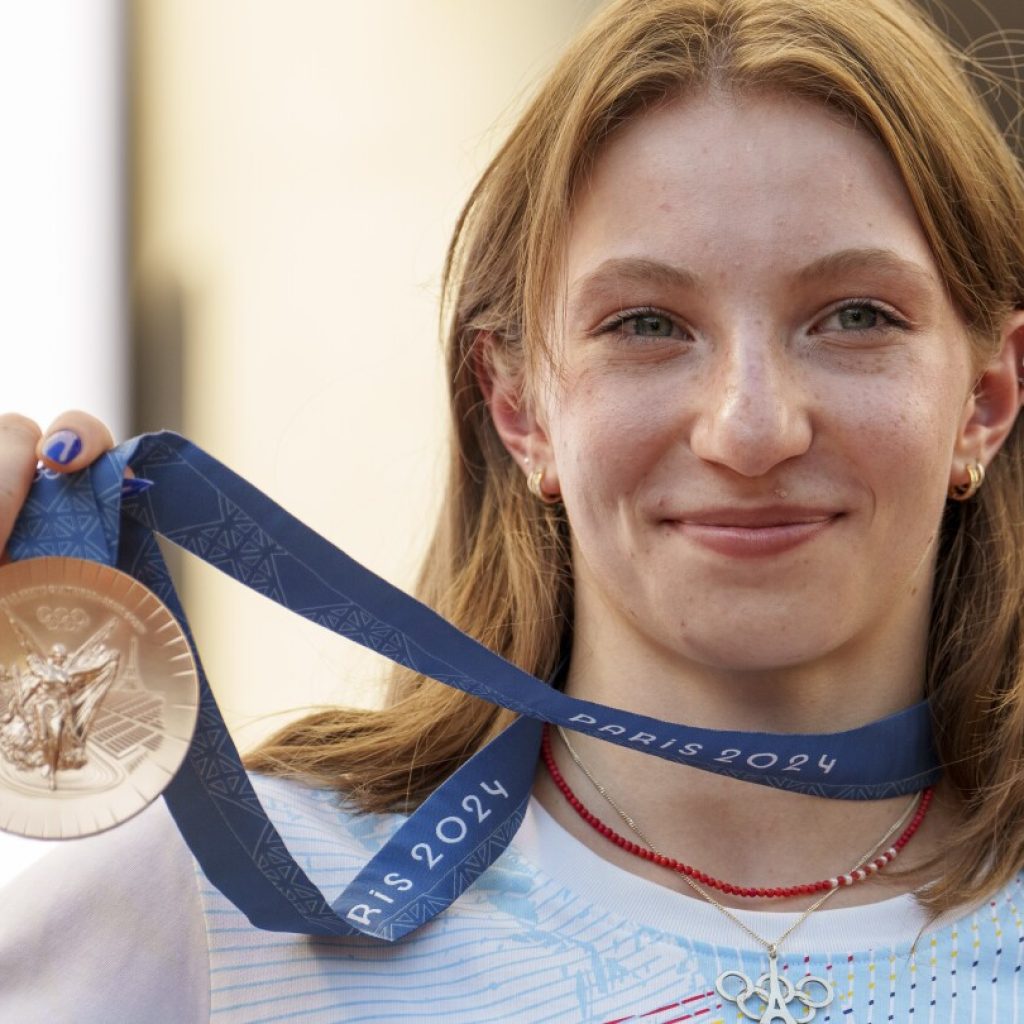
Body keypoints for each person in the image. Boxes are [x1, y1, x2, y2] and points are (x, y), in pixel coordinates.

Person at [2, 0, 1024, 1019]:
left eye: (855, 317)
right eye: (646, 324)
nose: (749, 430)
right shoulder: (207, 910)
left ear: (985, 399)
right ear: (517, 405)